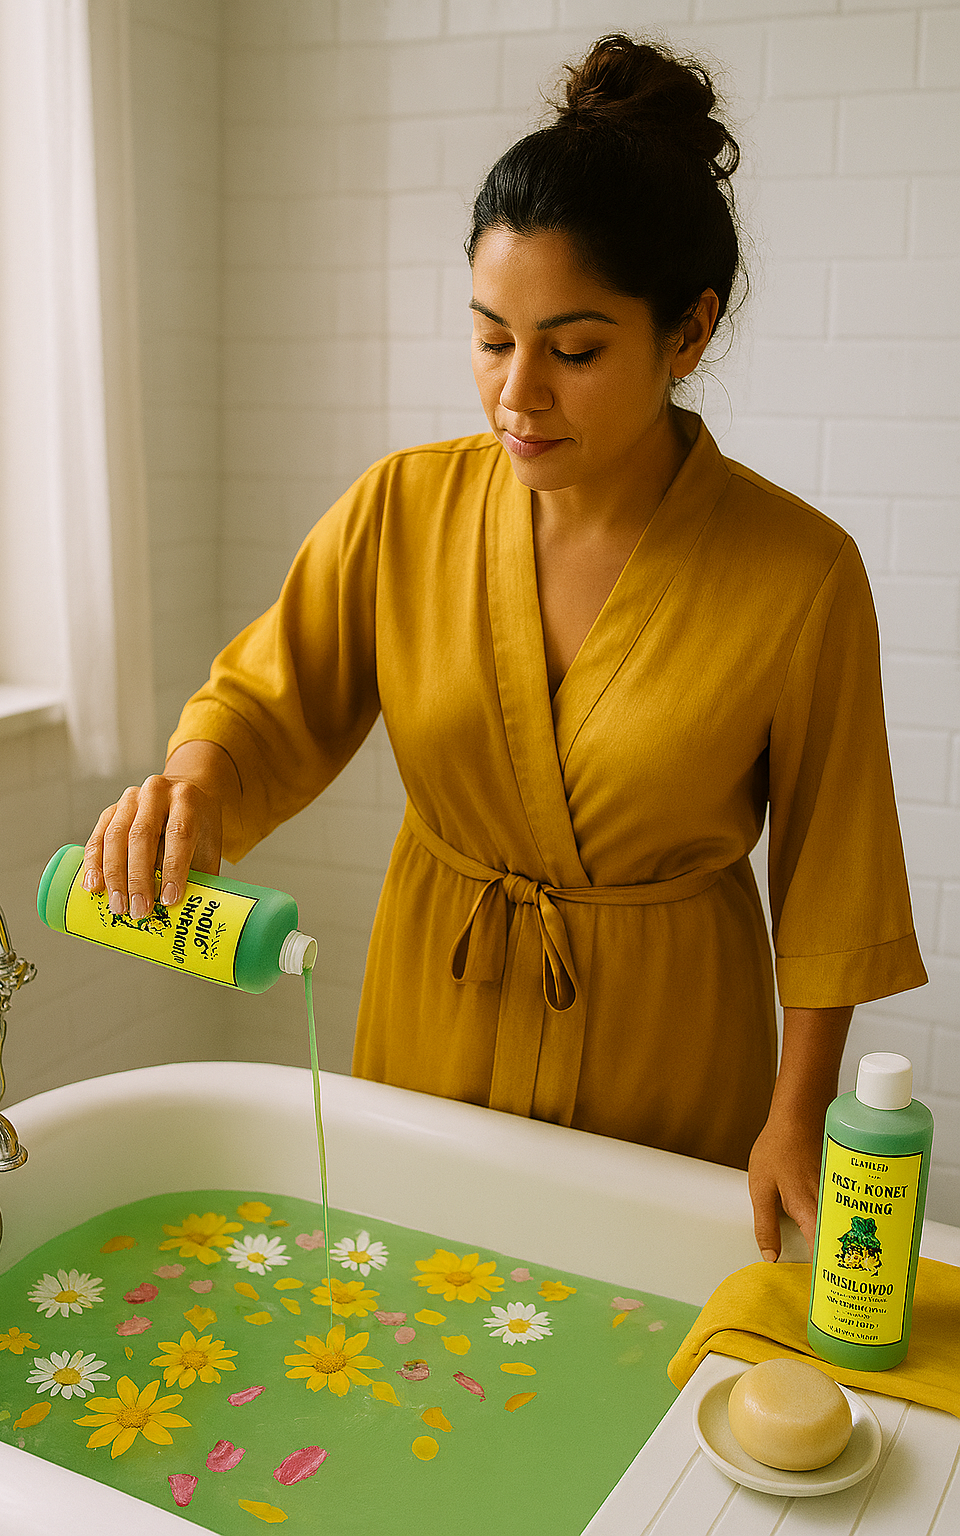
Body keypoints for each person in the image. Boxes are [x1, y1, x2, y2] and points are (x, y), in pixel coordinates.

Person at [83, 35, 926, 1263]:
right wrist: (192, 787)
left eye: (573, 352)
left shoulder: (800, 574)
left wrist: (796, 1120)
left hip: (669, 1054)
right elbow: (267, 703)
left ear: (688, 332)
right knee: (403, 1332)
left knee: (634, 1337)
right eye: (490, 339)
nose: (517, 394)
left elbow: (832, 878)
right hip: (436, 1018)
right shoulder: (403, 508)